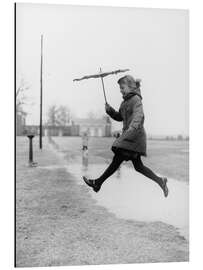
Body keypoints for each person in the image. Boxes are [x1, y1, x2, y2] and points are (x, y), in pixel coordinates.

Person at [83, 75, 169, 197]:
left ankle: (98, 183)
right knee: (138, 167)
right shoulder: (124, 102)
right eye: (120, 88)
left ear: (131, 87)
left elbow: (139, 116)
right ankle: (161, 181)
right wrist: (110, 110)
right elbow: (120, 116)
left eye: (122, 88)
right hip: (129, 137)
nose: (120, 90)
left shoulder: (136, 100)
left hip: (135, 136)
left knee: (118, 158)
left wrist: (132, 128)